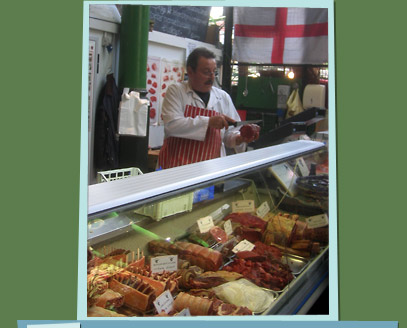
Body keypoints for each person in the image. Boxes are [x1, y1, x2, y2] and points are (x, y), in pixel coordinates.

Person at [158, 47, 260, 169]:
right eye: (206, 72)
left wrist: (239, 138)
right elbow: (172, 126)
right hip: (176, 168)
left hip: (209, 169)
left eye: (214, 72)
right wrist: (209, 122)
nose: (211, 77)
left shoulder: (223, 97)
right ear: (190, 71)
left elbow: (229, 134)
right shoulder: (176, 91)